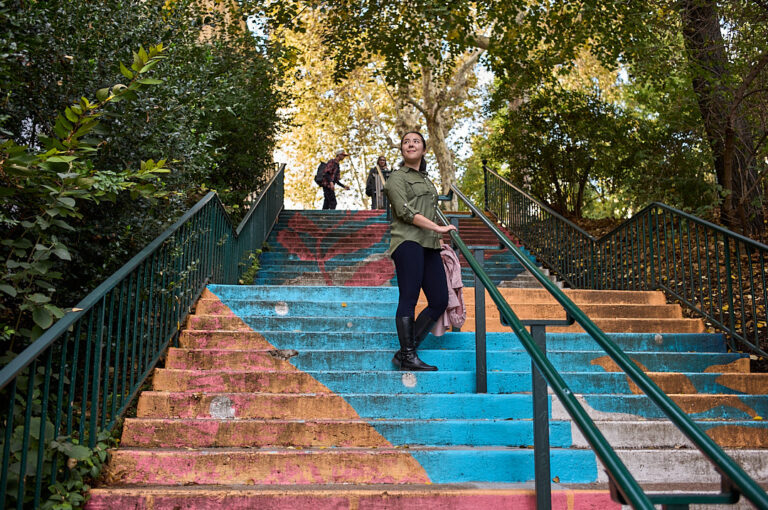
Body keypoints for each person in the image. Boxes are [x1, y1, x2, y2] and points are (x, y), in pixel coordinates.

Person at [384, 131, 457, 371]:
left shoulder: (427, 180)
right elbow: (404, 211)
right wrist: (437, 226)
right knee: (409, 297)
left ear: (424, 149)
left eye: (416, 141)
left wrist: (436, 233)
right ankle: (408, 355)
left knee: (439, 299)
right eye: (406, 142)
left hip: (430, 244)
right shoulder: (396, 177)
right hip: (407, 241)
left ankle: (405, 352)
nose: (410, 144)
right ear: (402, 150)